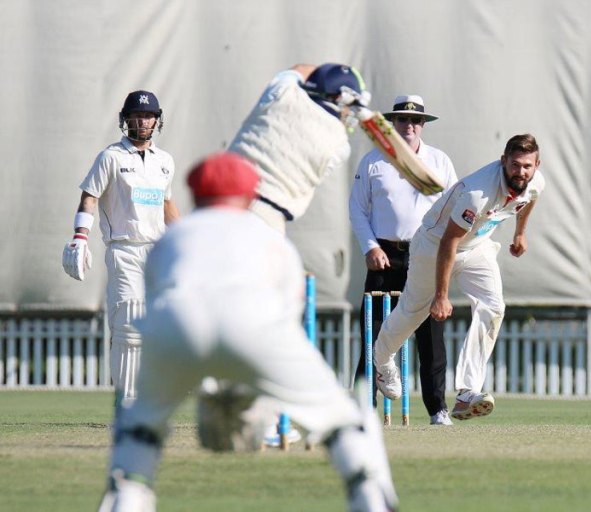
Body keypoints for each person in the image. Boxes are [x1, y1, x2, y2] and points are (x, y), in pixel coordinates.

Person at [96, 153, 397, 512]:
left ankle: (126, 493)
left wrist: (211, 382)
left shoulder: (171, 239)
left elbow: (159, 298)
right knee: (345, 421)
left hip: (174, 325)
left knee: (139, 429)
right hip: (258, 325)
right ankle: (369, 496)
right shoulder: (270, 239)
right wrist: (254, 390)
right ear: (251, 195)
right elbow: (288, 315)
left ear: (194, 195)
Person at [227, 62, 371, 445]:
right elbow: (338, 118)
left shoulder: (282, 92)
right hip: (265, 225)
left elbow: (298, 69)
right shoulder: (337, 145)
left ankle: (239, 400)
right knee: (274, 327)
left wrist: (328, 79)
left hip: (219, 210)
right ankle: (272, 420)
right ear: (339, 101)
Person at [372, 134, 545, 421]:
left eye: (527, 166)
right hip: (434, 245)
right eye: (515, 165)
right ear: (504, 162)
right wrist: (441, 296)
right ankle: (381, 360)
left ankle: (467, 393)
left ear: (537, 165)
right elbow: (448, 243)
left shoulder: (535, 181)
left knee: (494, 307)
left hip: (476, 246)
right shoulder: (478, 192)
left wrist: (520, 232)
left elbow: (530, 199)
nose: (521, 172)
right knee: (413, 312)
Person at [62, 90, 180, 409]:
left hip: (157, 252)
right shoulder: (111, 157)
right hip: (124, 249)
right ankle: (126, 405)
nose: (142, 121)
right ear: (126, 119)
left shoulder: (165, 162)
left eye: (148, 116)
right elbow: (90, 196)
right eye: (136, 116)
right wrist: (80, 236)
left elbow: (166, 205)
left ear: (157, 120)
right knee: (128, 324)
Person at [350, 95, 459, 425]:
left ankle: (437, 409)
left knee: (430, 336)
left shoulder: (439, 161)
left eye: (415, 120)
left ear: (423, 124)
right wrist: (370, 247)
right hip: (383, 255)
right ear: (391, 124)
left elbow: (454, 209)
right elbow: (357, 208)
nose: (408, 125)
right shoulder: (373, 161)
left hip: (425, 254)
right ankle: (363, 409)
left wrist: (444, 253)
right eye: (401, 119)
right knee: (374, 332)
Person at [229, 62, 370, 233]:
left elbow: (300, 69)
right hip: (266, 220)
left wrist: (323, 75)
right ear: (343, 98)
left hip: (218, 201)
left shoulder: (282, 91)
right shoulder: (340, 147)